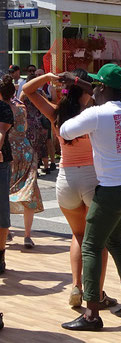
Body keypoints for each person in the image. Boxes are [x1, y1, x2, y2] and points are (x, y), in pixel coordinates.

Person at [59, 63, 121, 330]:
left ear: (102, 88)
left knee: (91, 245)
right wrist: (78, 81)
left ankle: (91, 314)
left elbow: (64, 131)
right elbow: (106, 91)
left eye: (98, 85)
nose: (94, 87)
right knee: (114, 240)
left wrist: (85, 93)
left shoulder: (97, 114)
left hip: (113, 191)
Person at [23, 69, 116, 308]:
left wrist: (47, 77)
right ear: (85, 89)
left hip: (65, 179)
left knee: (78, 235)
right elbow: (99, 89)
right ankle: (97, 293)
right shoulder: (93, 114)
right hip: (92, 178)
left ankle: (76, 285)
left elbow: (26, 90)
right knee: (98, 241)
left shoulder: (56, 113)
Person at [7, 78, 44, 248]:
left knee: (3, 191)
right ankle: (27, 235)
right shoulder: (21, 107)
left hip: (7, 152)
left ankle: (5, 230)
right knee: (29, 190)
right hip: (25, 151)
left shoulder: (3, 109)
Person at [0, 75, 15, 274]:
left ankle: (1, 255)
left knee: (2, 210)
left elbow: (1, 133)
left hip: (1, 163)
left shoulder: (3, 107)